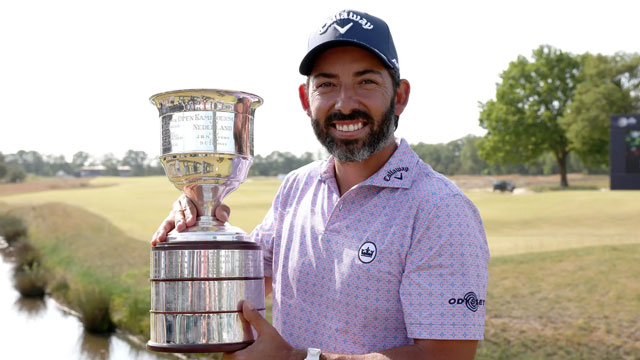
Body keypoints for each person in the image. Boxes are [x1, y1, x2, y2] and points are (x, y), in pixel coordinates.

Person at [152, 9, 489, 360]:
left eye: (366, 82)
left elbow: (447, 355)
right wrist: (197, 221)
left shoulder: (441, 209)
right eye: (327, 84)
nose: (344, 104)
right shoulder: (297, 187)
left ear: (400, 96)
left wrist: (295, 358)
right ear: (305, 99)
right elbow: (243, 287)